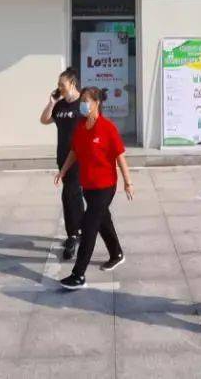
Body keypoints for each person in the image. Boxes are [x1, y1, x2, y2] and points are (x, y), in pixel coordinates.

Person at [54, 87, 135, 290]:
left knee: (89, 226)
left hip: (105, 186)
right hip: (88, 186)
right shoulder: (81, 127)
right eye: (82, 100)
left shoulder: (107, 128)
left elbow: (120, 156)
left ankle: (78, 275)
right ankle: (116, 253)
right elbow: (74, 151)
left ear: (97, 103)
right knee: (103, 220)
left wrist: (128, 182)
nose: (83, 104)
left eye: (86, 101)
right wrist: (63, 171)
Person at [39, 67, 84, 261]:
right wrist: (51, 102)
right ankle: (80, 229)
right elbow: (44, 120)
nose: (59, 88)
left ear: (72, 83)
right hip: (63, 157)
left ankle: (73, 235)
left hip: (80, 158)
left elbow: (95, 123)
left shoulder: (83, 103)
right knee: (74, 194)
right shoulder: (60, 105)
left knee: (69, 194)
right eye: (58, 85)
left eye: (62, 85)